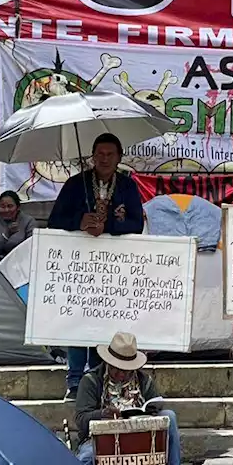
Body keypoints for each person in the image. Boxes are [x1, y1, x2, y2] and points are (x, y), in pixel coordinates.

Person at [49, 133, 145, 398]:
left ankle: (101, 380)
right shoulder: (74, 185)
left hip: (113, 269)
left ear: (119, 158)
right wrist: (79, 221)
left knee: (106, 322)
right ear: (92, 157)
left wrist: (109, 226)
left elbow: (135, 224)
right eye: (99, 154)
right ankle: (75, 381)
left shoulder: (127, 186)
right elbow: (54, 221)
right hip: (79, 267)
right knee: (79, 322)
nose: (104, 159)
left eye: (109, 155)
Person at [73, 331, 181, 465]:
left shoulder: (144, 381)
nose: (121, 374)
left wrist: (149, 413)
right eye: (116, 369)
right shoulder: (91, 381)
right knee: (86, 458)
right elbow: (81, 419)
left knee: (169, 415)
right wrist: (102, 414)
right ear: (108, 363)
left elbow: (155, 408)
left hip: (140, 436)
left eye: (126, 370)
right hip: (100, 439)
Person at [0, 190, 34, 264]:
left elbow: (32, 247)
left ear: (18, 207)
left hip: (22, 262)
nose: (6, 210)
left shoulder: (28, 221)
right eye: (2, 207)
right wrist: (5, 235)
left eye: (10, 206)